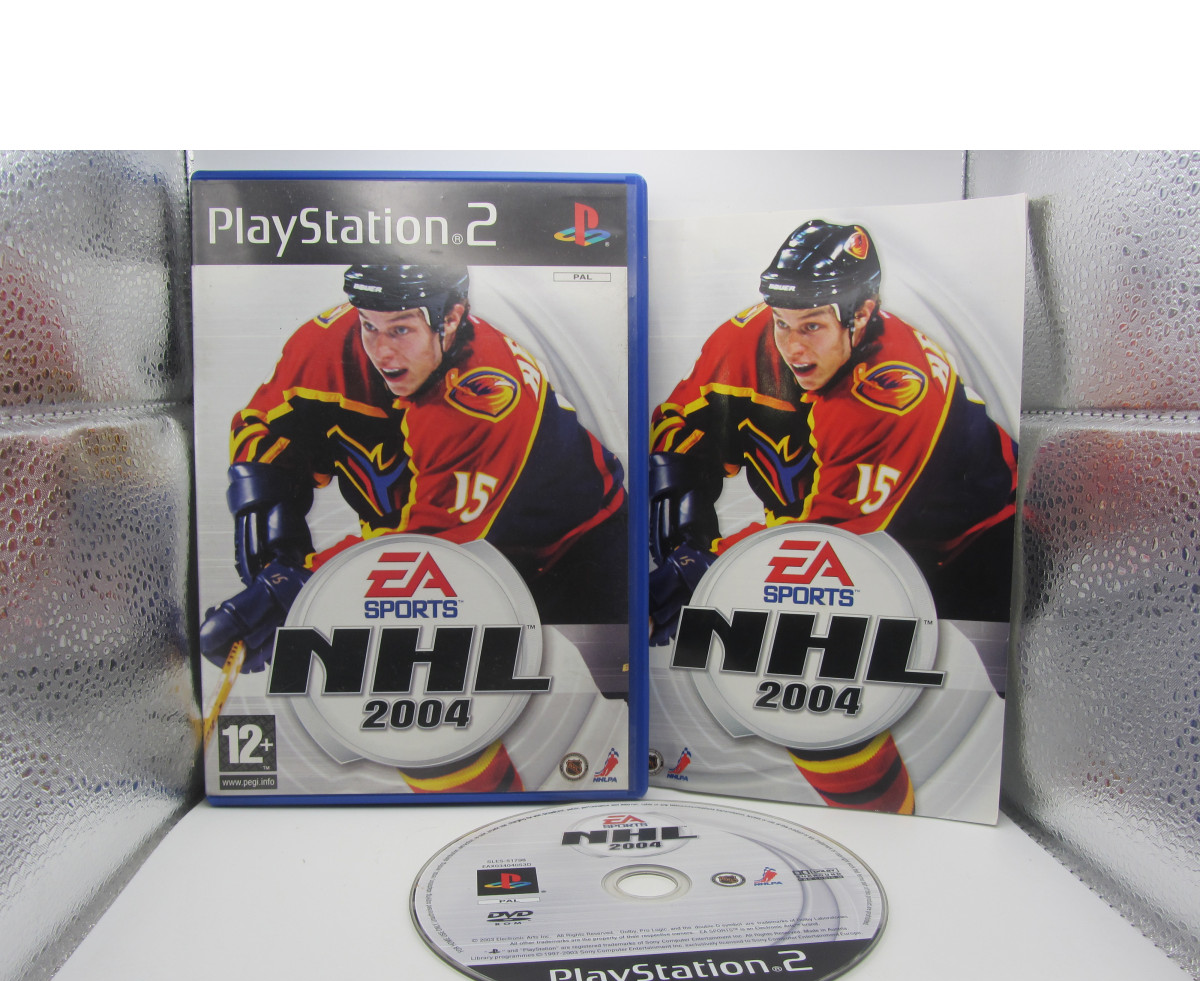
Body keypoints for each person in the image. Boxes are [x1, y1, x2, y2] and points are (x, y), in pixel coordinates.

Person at [199, 260, 628, 794]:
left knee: (624, 704)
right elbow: (265, 430)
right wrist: (273, 546)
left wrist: (289, 592)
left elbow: (426, 551)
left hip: (576, 548)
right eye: (370, 326)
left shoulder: (486, 392)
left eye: (401, 329)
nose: (381, 351)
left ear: (451, 318)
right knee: (425, 721)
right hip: (438, 542)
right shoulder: (327, 342)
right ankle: (474, 817)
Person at [649, 219, 1018, 814]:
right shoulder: (748, 338)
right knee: (809, 688)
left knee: (1009, 720)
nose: (793, 347)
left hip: (976, 549)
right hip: (847, 534)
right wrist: (681, 539)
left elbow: (826, 540)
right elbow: (678, 434)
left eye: (813, 326)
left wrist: (698, 570)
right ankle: (880, 825)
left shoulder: (894, 385)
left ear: (861, 314)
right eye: (783, 323)